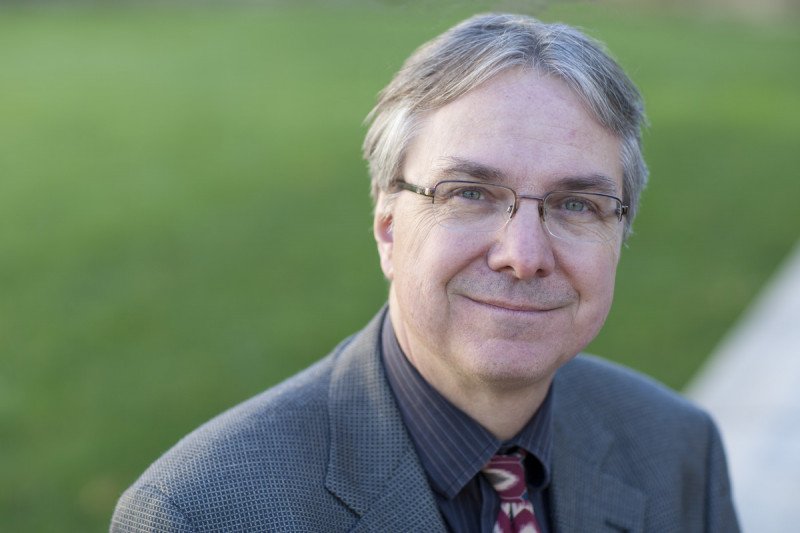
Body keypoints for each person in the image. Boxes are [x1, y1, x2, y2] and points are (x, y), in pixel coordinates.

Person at [111, 13, 739, 532]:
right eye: (470, 193)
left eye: (576, 204)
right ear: (388, 226)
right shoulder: (201, 514)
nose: (524, 255)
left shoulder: (678, 449)